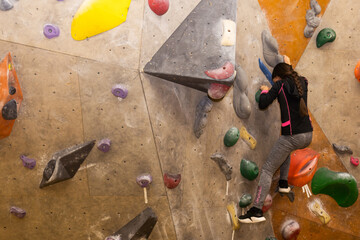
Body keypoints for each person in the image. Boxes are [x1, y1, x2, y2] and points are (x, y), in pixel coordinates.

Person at [239, 62, 313, 223]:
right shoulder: (303, 82)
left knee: (267, 169)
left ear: (278, 77)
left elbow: (263, 102)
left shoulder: (279, 85)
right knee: (284, 149)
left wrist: (266, 91)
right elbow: (292, 100)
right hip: (307, 135)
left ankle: (256, 210)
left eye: (275, 80)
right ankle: (284, 183)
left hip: (293, 135)